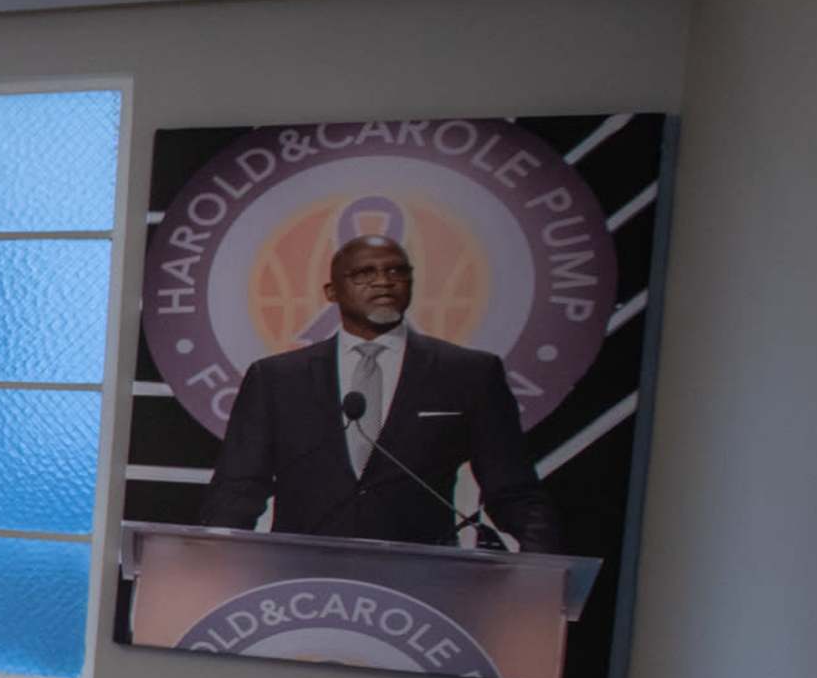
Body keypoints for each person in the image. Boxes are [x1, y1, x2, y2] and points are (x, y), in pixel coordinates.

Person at [199, 235, 560, 549]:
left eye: (397, 272)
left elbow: (512, 488)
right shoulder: (277, 378)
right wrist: (214, 564)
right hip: (299, 577)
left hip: (422, 581)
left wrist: (543, 569)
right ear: (331, 291)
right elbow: (237, 490)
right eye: (364, 273)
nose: (384, 282)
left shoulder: (469, 373)